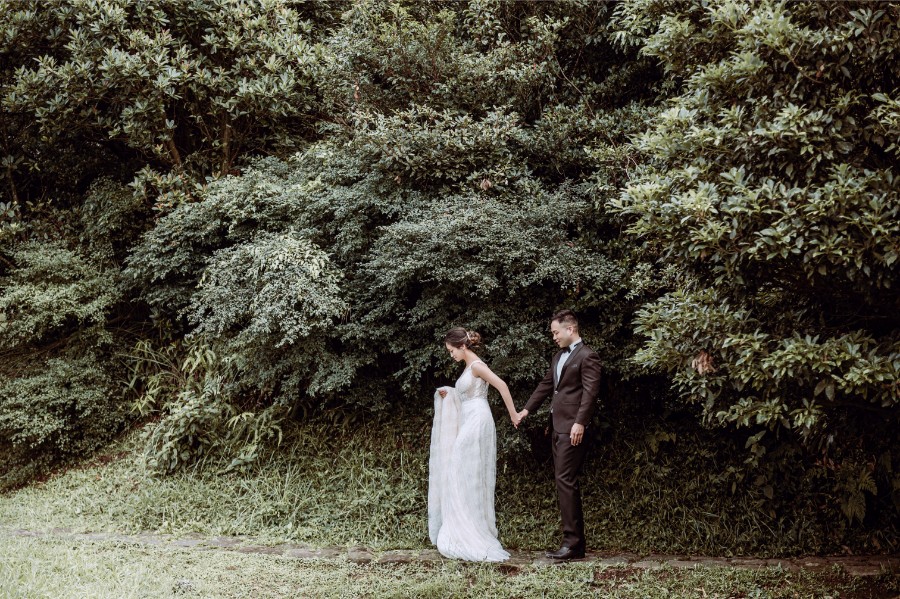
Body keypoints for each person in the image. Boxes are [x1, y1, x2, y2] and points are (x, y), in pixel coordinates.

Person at [428, 327, 519, 562]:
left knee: (458, 469)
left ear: (462, 346)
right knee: (461, 473)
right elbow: (464, 395)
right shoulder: (468, 368)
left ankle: (470, 531)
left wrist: (514, 415)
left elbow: (502, 386)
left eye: (451, 351)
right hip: (470, 417)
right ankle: (463, 527)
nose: (451, 355)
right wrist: (448, 392)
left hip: (478, 420)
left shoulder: (477, 366)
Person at [515, 310, 601, 560]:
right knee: (564, 481)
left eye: (555, 332)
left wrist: (580, 423)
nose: (553, 336)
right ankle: (574, 544)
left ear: (570, 329)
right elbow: (545, 386)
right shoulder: (557, 357)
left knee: (566, 481)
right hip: (556, 427)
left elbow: (590, 393)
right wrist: (526, 411)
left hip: (573, 429)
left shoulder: (588, 356)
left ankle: (572, 545)